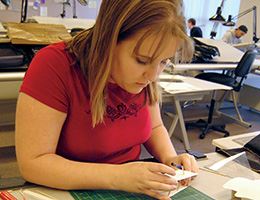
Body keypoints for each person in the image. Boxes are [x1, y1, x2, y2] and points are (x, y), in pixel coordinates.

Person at [15, 0, 198, 199]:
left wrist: (171, 159)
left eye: (164, 61)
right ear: (109, 39)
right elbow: (33, 163)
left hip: (126, 188)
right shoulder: (54, 65)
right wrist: (118, 177)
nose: (153, 76)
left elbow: (154, 127)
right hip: (64, 191)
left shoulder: (143, 75)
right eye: (142, 60)